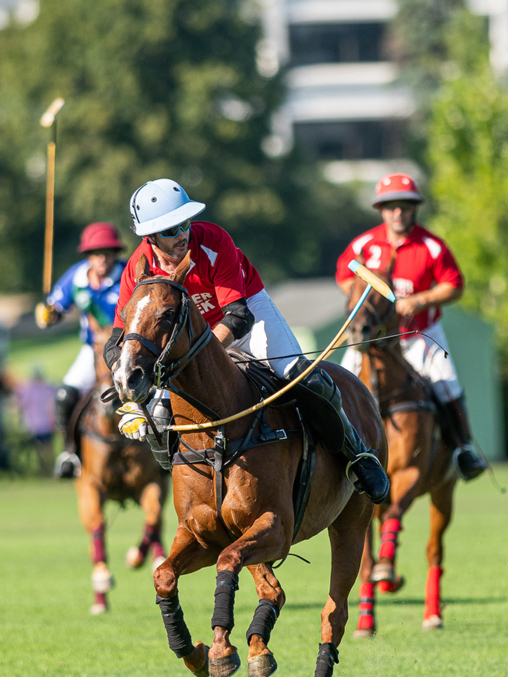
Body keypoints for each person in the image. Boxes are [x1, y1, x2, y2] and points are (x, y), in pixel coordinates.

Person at [103, 178, 389, 504]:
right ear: (149, 236)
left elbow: (238, 316)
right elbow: (116, 341)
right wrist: (131, 393)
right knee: (159, 415)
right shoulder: (137, 271)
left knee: (298, 374)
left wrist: (200, 358)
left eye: (185, 223)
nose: (182, 234)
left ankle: (357, 453)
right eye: (170, 231)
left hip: (245, 314)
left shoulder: (213, 242)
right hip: (188, 340)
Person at [335, 172, 486, 481]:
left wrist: (420, 300)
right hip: (375, 338)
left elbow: (454, 286)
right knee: (343, 384)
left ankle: (463, 449)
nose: (398, 213)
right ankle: (338, 450)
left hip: (419, 334)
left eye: (405, 206)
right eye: (391, 207)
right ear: (381, 210)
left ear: (414, 208)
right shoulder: (365, 244)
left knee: (447, 383)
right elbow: (345, 278)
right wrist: (369, 305)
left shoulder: (431, 246)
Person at [35, 223, 126, 478]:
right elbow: (52, 311)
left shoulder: (128, 274)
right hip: (94, 350)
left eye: (108, 252)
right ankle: (69, 453)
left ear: (115, 253)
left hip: (128, 349)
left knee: (158, 392)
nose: (102, 258)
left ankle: (166, 450)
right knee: (66, 394)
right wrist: (47, 314)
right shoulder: (77, 278)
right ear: (88, 255)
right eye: (96, 253)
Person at [15, 366, 57, 475]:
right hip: (47, 424)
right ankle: (49, 469)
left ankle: (45, 469)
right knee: (47, 449)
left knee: (41, 450)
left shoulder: (29, 389)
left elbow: (21, 403)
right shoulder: (49, 387)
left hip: (35, 425)